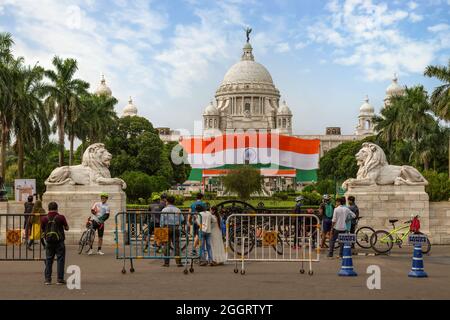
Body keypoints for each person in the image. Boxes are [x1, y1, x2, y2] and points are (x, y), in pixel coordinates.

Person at [41, 202, 69, 285]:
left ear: (48, 208)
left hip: (49, 241)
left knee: (49, 259)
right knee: (60, 259)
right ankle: (60, 279)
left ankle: (47, 279)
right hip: (59, 241)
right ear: (57, 208)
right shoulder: (61, 217)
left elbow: (42, 229)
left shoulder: (44, 218)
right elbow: (67, 228)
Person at [160, 196, 184, 267]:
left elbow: (162, 221)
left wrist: (161, 228)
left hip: (166, 227)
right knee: (176, 245)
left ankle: (166, 263)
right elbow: (182, 219)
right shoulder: (178, 210)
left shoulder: (164, 210)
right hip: (176, 227)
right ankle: (178, 262)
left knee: (166, 245)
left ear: (167, 201)